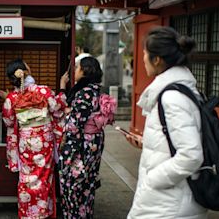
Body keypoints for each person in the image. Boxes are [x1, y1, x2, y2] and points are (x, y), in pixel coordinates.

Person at [124, 26, 207, 218]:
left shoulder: (172, 97)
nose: (142, 58)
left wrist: (153, 180)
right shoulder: (182, 90)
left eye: (145, 53)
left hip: (168, 204)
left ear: (157, 59)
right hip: (169, 200)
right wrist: (147, 144)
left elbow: (191, 155)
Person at [2, 59, 66, 219]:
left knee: (26, 178)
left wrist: (7, 99)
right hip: (44, 140)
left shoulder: (12, 97)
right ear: (26, 71)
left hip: (25, 143)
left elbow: (9, 121)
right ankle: (43, 213)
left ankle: (28, 214)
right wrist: (62, 88)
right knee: (44, 177)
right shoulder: (43, 91)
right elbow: (58, 108)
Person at [58, 56, 115, 219]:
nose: (75, 70)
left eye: (77, 67)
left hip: (81, 144)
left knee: (72, 185)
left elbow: (75, 125)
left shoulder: (84, 92)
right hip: (94, 142)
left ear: (85, 71)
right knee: (87, 184)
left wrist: (65, 140)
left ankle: (74, 216)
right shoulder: (96, 89)